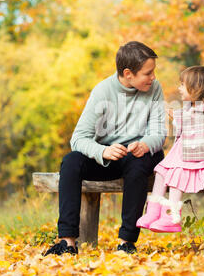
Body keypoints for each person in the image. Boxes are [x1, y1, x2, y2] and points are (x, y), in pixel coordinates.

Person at [44, 41, 167, 256]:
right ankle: (67, 242)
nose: (153, 77)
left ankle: (126, 242)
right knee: (71, 161)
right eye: (148, 73)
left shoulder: (154, 89)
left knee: (140, 162)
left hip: (139, 155)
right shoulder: (102, 91)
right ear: (128, 73)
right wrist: (103, 151)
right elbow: (79, 138)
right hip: (109, 157)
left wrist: (146, 144)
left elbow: (159, 132)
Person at [136, 65, 204, 233]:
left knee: (177, 175)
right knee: (160, 171)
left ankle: (171, 217)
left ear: (197, 87)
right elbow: (184, 124)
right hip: (180, 152)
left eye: (182, 84)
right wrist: (173, 115)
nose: (179, 88)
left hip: (198, 155)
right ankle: (153, 212)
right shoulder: (189, 107)